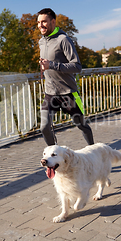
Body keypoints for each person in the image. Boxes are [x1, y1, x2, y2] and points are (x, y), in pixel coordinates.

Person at [37, 8, 94, 146]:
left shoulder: (63, 40)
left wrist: (52, 65)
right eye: (38, 22)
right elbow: (47, 65)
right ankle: (53, 157)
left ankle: (95, 153)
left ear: (53, 22)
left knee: (82, 126)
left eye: (44, 22)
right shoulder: (41, 42)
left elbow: (77, 66)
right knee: (44, 127)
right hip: (50, 93)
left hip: (68, 93)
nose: (41, 25)